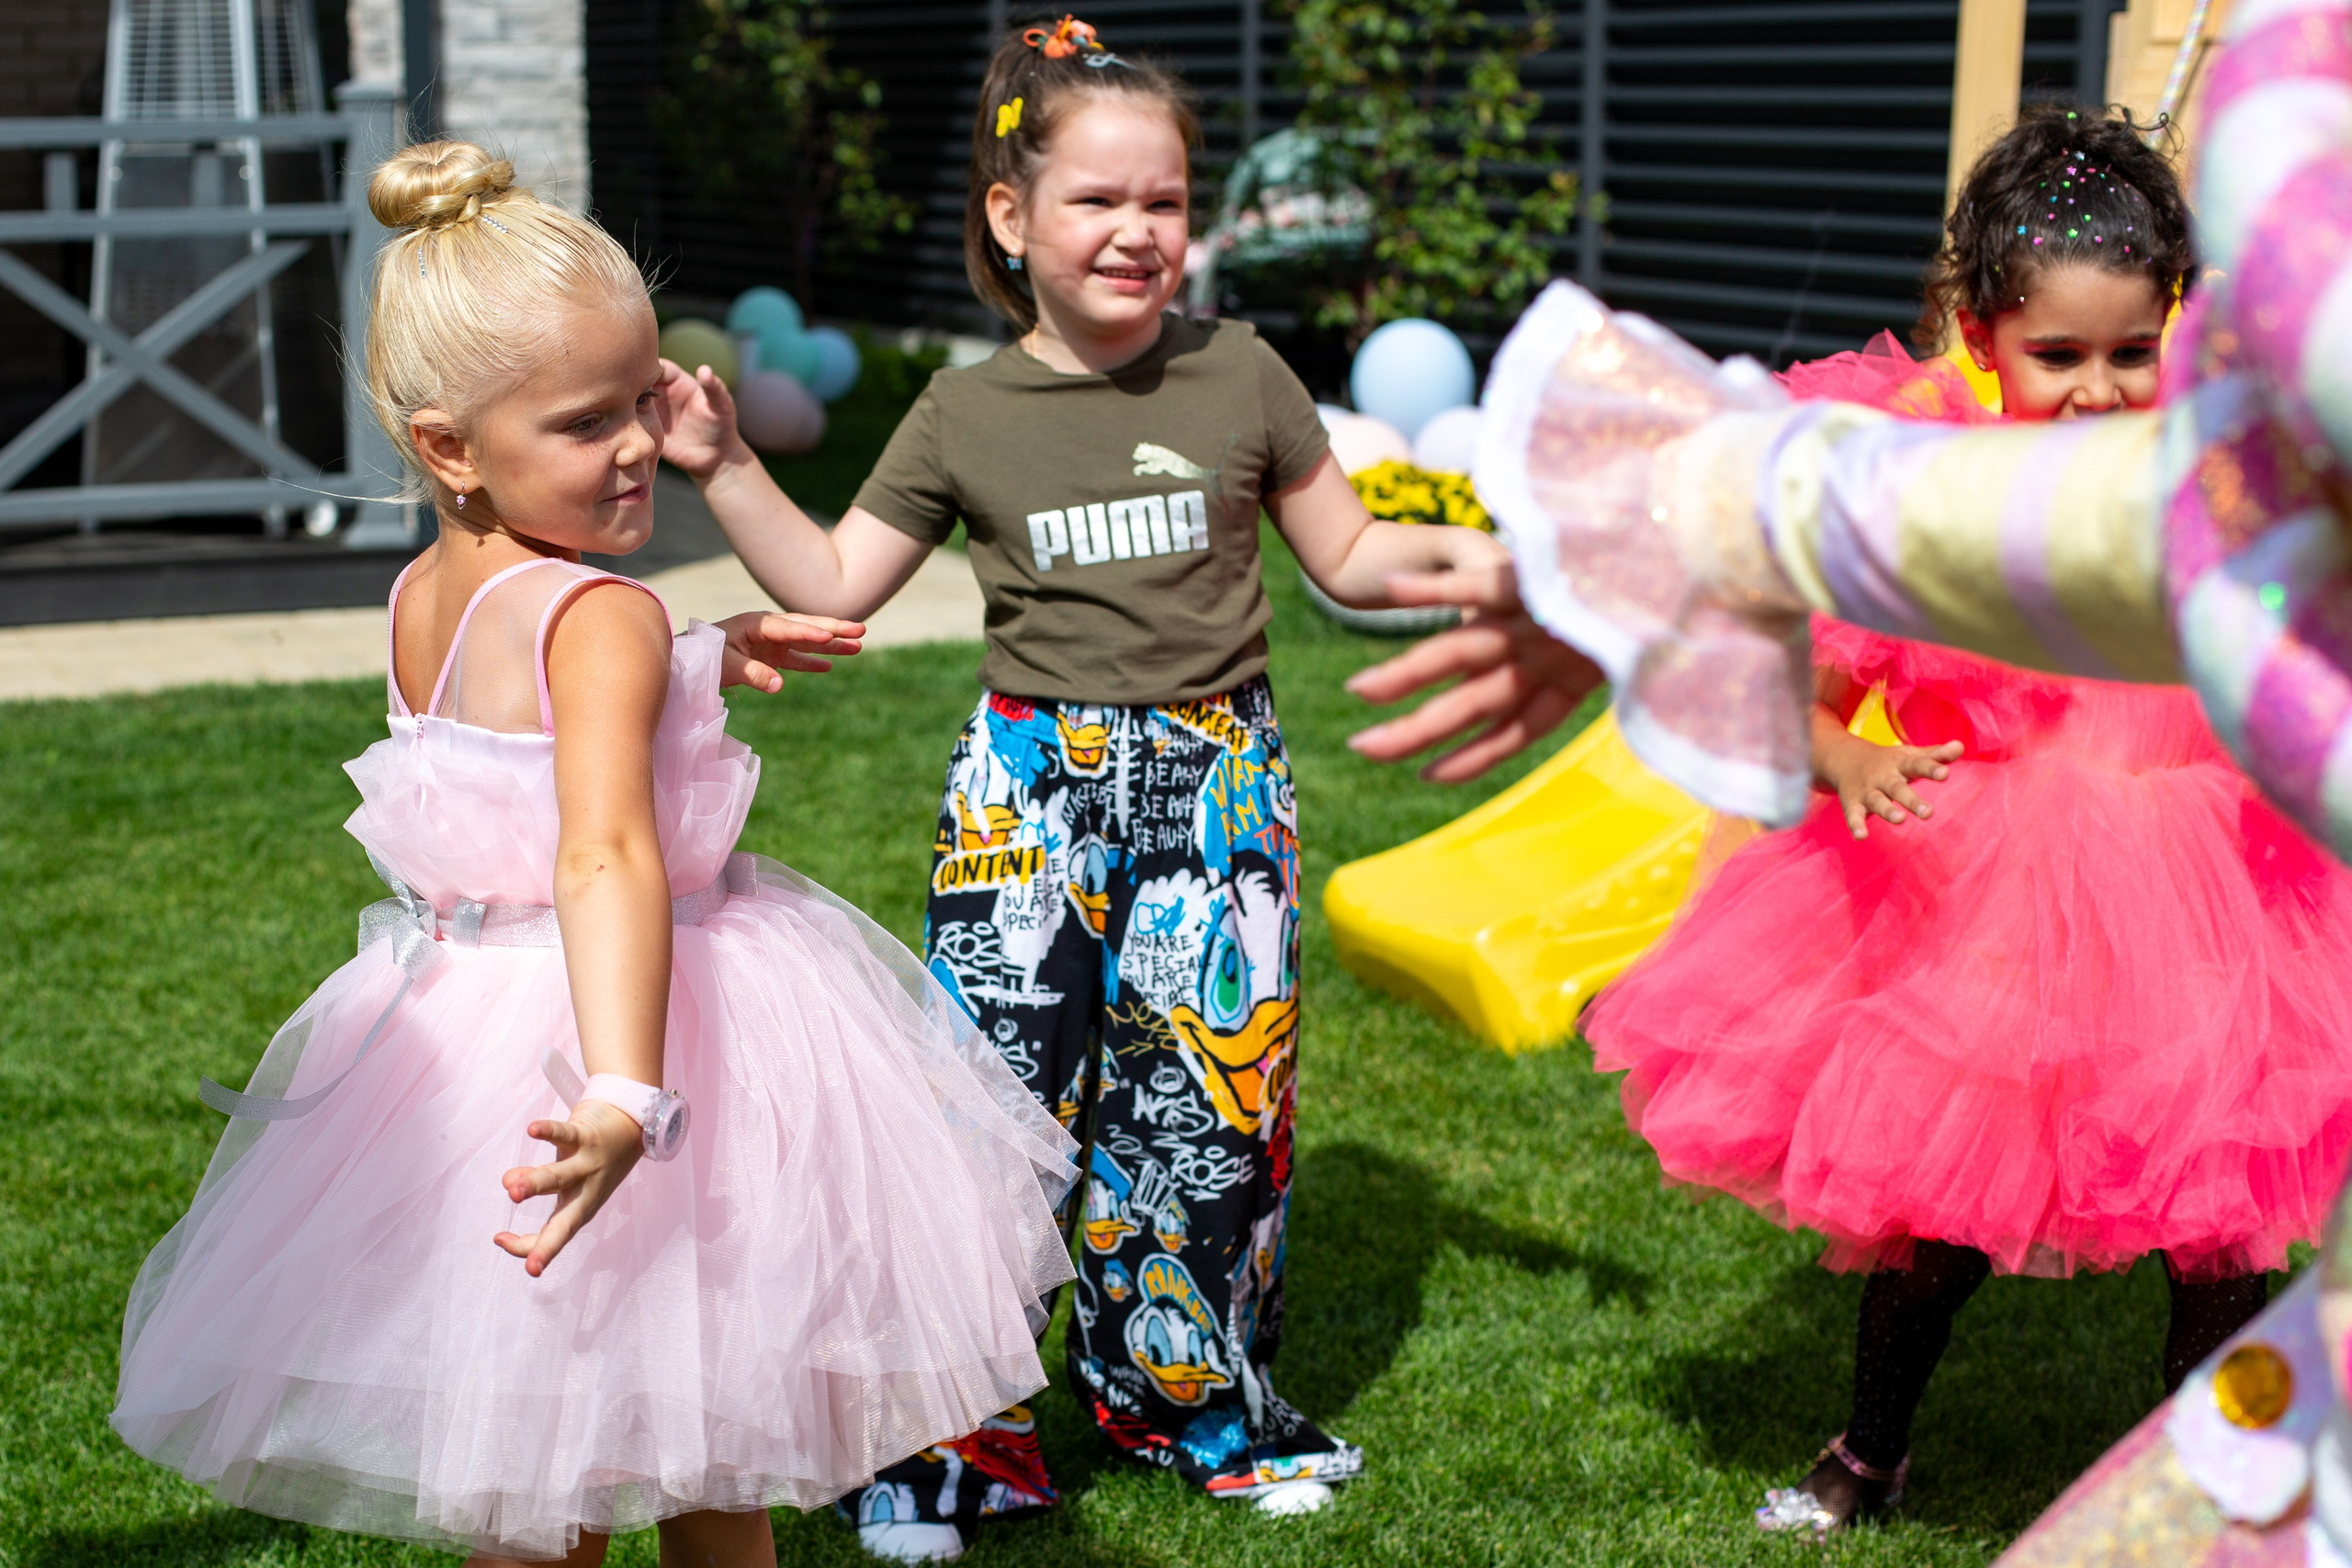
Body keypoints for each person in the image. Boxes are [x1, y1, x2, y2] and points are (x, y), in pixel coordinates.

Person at [1372, 104, 2352, 1540]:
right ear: (1979, 330)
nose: (2096, 392)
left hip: (2200, 888)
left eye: (2130, 354)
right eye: (2057, 357)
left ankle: (2236, 1481)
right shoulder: (1928, 483)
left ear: (2176, 328)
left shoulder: (2202, 474)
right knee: (1941, 1207)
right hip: (1989, 891)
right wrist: (1843, 759)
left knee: (2217, 1219)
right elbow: (1799, 678)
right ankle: (1869, 1453)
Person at [107, 141, 1080, 1568]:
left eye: (644, 401)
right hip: (643, 1047)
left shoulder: (421, 591)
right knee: (711, 1439)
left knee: (534, 1449)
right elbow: (604, 853)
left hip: (469, 1057)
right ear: (450, 445)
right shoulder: (602, 614)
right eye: (586, 423)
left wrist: (700, 655)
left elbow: (522, 730)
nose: (637, 444)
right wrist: (630, 1089)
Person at [657, 17, 1511, 1559]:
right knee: (993, 1115)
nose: (1137, 233)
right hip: (1029, 795)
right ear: (1012, 218)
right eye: (1098, 202)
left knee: (1209, 1117)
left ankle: (1195, 1405)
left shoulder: (1244, 373)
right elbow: (836, 582)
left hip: (1219, 787)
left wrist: (1495, 562)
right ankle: (949, 1452)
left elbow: (1357, 554)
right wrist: (723, 469)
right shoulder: (960, 412)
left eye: (1166, 202)